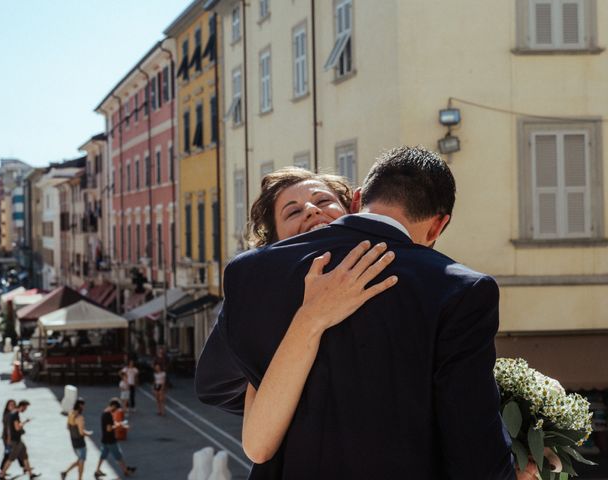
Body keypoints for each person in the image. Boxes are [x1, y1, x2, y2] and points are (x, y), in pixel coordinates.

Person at [196, 147, 534, 479]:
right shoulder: (457, 289)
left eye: (324, 201)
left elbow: (215, 384)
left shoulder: (252, 274)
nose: (313, 212)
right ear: (437, 226)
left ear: (354, 203)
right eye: (292, 211)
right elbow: (471, 440)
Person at [94, 398, 136, 479]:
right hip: (110, 440)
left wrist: (120, 424)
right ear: (113, 406)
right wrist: (119, 425)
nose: (116, 410)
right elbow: (109, 428)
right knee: (118, 456)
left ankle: (97, 470)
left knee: (103, 455)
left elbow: (111, 423)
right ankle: (125, 470)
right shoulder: (108, 415)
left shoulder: (105, 412)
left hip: (105, 439)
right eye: (116, 408)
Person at [0, 400, 41, 479]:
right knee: (11, 458)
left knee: (25, 456)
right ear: (22, 406)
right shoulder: (15, 415)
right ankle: (2, 475)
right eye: (25, 408)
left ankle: (30, 474)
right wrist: (25, 422)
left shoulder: (13, 413)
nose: (25, 410)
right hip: (15, 441)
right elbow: (17, 428)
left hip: (18, 440)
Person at [61, 398, 92, 480]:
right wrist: (88, 433)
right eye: (83, 406)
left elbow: (68, 427)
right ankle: (79, 478)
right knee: (81, 461)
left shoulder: (70, 413)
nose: (84, 408)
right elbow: (81, 432)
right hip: (80, 442)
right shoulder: (80, 417)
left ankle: (65, 472)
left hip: (73, 441)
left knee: (80, 460)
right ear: (80, 406)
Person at [0, 399, 24, 473]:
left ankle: (24, 466)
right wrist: (9, 438)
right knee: (9, 454)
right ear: (7, 406)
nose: (12, 406)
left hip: (12, 437)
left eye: (14, 405)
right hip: (8, 437)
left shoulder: (12, 414)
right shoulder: (8, 415)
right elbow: (8, 429)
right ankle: (2, 471)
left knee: (18, 451)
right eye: (10, 405)